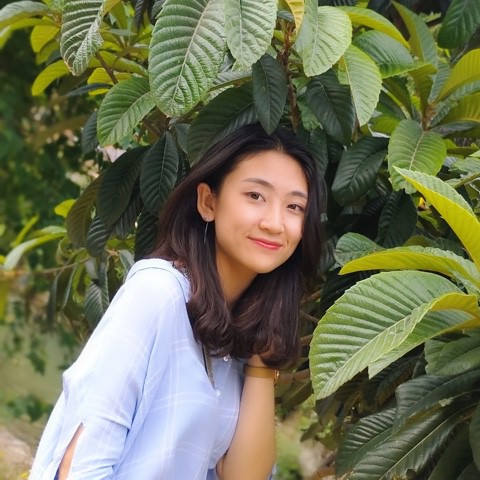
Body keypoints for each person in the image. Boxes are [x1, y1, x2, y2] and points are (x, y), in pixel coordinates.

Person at [29, 123, 325, 480]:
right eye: (255, 196)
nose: (275, 223)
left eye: (294, 206)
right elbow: (79, 466)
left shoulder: (236, 329)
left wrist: (262, 363)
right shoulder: (157, 293)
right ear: (208, 202)